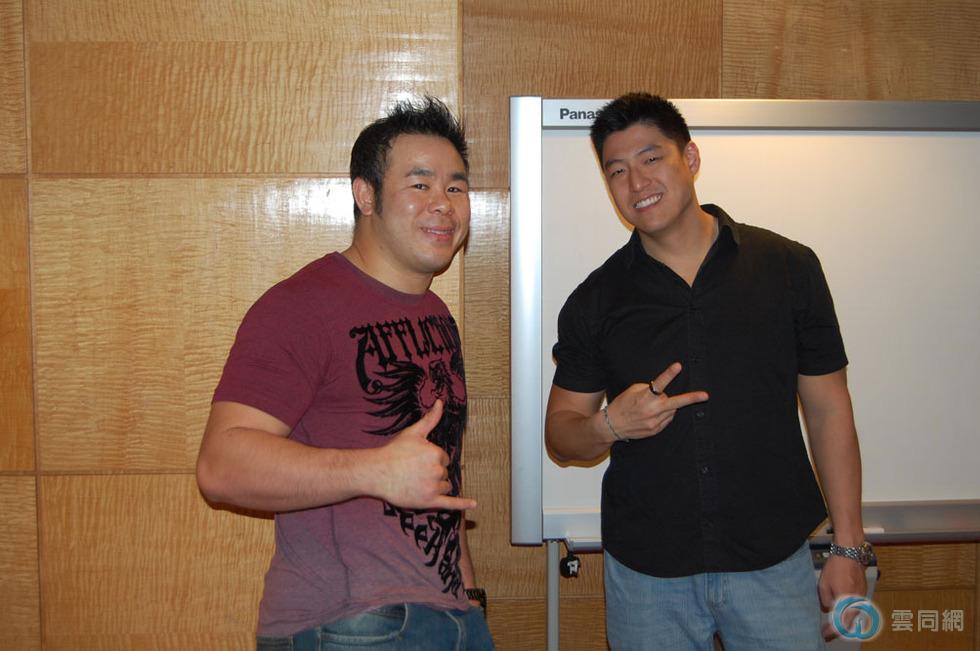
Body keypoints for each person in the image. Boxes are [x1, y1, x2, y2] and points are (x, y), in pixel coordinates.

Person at [544, 92, 871, 650]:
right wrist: (610, 424)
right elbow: (561, 432)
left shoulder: (787, 268)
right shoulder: (595, 301)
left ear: (690, 158)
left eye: (651, 158)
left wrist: (848, 546)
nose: (636, 182)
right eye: (617, 170)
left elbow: (828, 408)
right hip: (648, 575)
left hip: (772, 560)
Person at [196, 96, 494, 650]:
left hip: (449, 618)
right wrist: (373, 471)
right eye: (420, 184)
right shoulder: (302, 305)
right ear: (366, 195)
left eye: (456, 188)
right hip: (350, 625)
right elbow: (221, 465)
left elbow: (435, 475)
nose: (444, 204)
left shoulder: (436, 315)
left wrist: (470, 602)